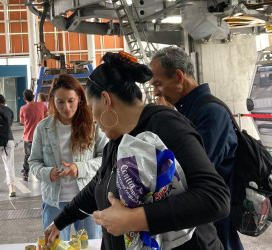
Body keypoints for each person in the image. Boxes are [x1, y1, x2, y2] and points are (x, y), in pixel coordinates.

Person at [44, 52, 231, 249]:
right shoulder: (116, 143)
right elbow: (96, 187)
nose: (94, 119)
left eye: (92, 107)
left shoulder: (166, 126)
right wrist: (60, 221)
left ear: (106, 100)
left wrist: (134, 219)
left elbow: (215, 198)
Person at [149, 46, 243, 250]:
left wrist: (166, 119)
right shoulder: (186, 111)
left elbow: (193, 170)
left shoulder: (211, 113)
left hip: (215, 217)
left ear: (179, 77)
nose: (156, 92)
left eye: (158, 84)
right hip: (202, 217)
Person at [28, 74, 108, 241]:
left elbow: (105, 158)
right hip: (54, 202)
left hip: (88, 199)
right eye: (60, 102)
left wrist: (79, 168)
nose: (66, 107)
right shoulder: (43, 128)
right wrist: (47, 172)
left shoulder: (93, 125)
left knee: (90, 244)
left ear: (79, 98)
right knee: (55, 245)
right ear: (52, 101)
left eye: (71, 100)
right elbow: (34, 162)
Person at [19, 89, 48, 181]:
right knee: (43, 156)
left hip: (29, 136)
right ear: (33, 96)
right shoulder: (41, 105)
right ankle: (43, 174)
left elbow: (21, 121)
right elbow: (47, 115)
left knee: (28, 156)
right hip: (42, 136)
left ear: (24, 99)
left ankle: (26, 174)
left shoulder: (23, 108)